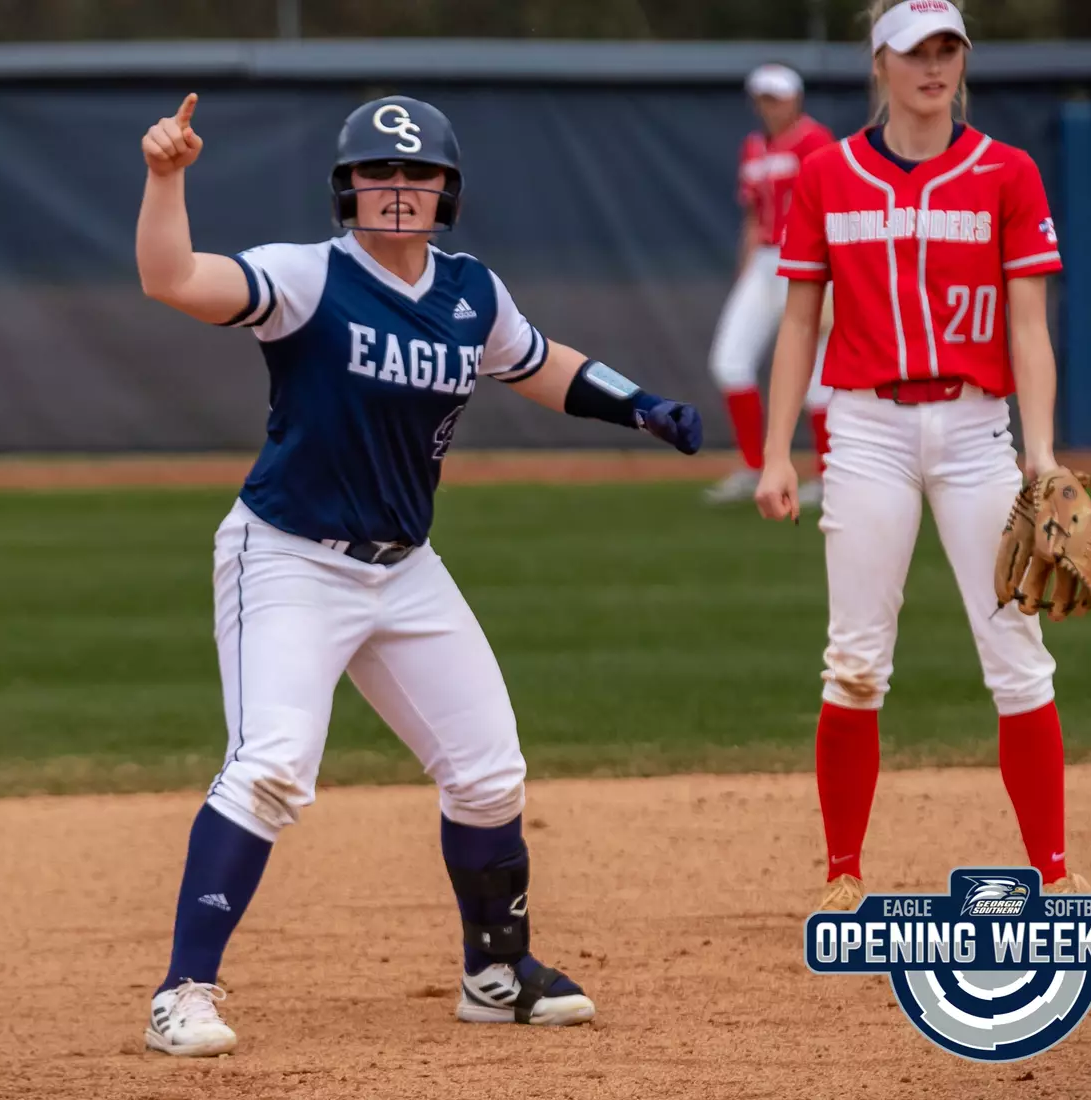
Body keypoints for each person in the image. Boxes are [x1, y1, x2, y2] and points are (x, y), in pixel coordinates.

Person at [134, 92, 703, 1056]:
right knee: (271, 764)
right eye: (378, 171)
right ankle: (182, 992)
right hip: (290, 556)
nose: (398, 187)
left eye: (419, 173)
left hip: (405, 569)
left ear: (448, 190)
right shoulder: (307, 277)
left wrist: (637, 403)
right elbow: (174, 278)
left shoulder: (471, 291)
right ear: (346, 187)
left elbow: (537, 362)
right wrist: (165, 178)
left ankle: (496, 975)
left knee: (488, 772)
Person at [751, 0, 1090, 913]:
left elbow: (1029, 326)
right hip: (867, 429)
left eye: (948, 49)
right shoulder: (829, 175)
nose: (934, 66)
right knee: (856, 660)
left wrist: (1042, 452)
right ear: (880, 63)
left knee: (1017, 652)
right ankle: (843, 875)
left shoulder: (1007, 172)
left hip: (978, 430)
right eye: (915, 51)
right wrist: (778, 452)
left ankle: (1055, 872)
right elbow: (799, 323)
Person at [705, 63, 836, 508]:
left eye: (776, 97)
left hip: (807, 260)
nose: (769, 106)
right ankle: (753, 466)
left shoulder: (815, 141)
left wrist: (833, 281)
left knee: (817, 376)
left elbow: (834, 210)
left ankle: (828, 474)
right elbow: (752, 216)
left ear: (796, 98)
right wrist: (745, 272)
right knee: (729, 361)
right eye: (763, 98)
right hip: (764, 260)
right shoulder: (754, 146)